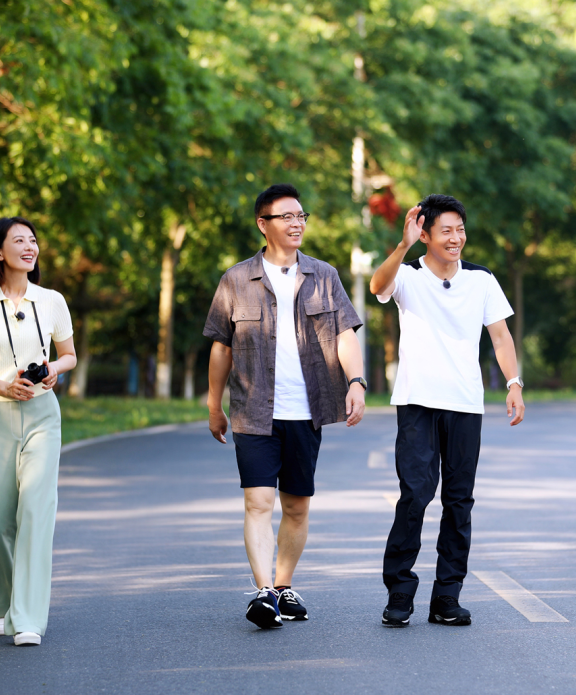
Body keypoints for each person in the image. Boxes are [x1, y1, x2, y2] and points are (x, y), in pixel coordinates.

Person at [203, 183, 367, 629]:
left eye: (301, 216)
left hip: (306, 409)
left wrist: (356, 381)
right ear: (264, 224)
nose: (297, 224)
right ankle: (262, 594)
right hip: (253, 411)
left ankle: (282, 586)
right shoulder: (237, 279)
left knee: (296, 506)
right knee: (258, 502)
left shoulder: (324, 275)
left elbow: (346, 333)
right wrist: (214, 405)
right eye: (286, 217)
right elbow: (221, 347)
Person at [370, 194, 525, 627]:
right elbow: (376, 288)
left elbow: (500, 337)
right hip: (417, 404)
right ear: (425, 235)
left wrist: (514, 384)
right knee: (415, 497)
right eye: (446, 230)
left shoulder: (481, 280)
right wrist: (401, 246)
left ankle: (446, 597)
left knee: (459, 502)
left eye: (460, 229)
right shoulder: (407, 275)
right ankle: (400, 592)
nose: (456, 238)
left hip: (464, 405)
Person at [0, 216, 76, 646]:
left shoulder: (52, 300)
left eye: (33, 240)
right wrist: (2, 385)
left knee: (35, 513)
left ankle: (27, 618)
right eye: (18, 240)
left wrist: (52, 372)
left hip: (43, 415)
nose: (29, 246)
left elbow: (69, 356)